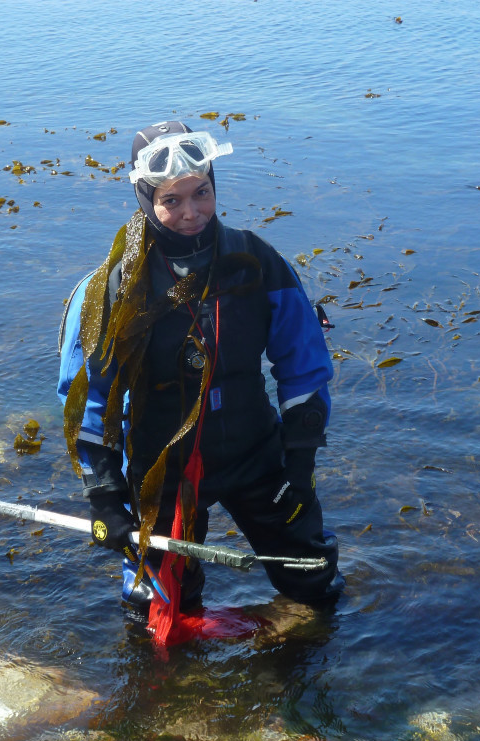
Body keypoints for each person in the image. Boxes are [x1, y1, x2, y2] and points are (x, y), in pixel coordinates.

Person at [57, 121, 343, 617]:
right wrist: (104, 496)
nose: (191, 213)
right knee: (159, 608)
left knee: (314, 582)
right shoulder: (109, 289)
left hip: (255, 453)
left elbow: (304, 367)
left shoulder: (256, 262)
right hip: (161, 468)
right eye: (172, 200)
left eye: (202, 193)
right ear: (145, 198)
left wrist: (299, 466)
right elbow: (89, 398)